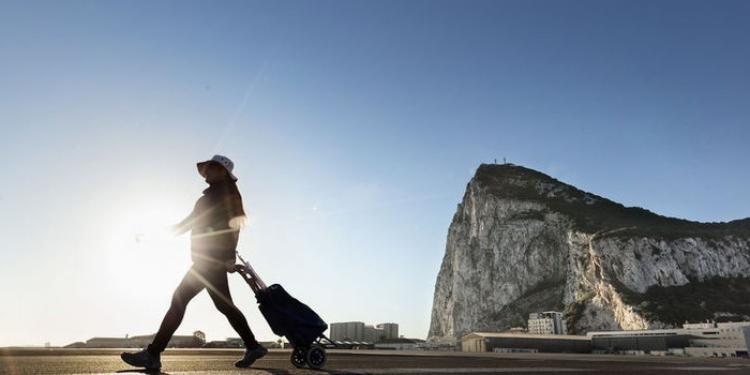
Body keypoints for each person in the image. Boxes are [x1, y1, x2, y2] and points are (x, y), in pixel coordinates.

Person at [121, 155, 267, 371]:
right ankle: (253, 346)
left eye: (211, 168)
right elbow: (188, 224)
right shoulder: (214, 195)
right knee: (223, 306)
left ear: (222, 172)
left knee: (179, 300)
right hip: (208, 260)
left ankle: (153, 354)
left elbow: (232, 226)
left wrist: (228, 256)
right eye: (206, 168)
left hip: (210, 261)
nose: (206, 171)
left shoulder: (222, 195)